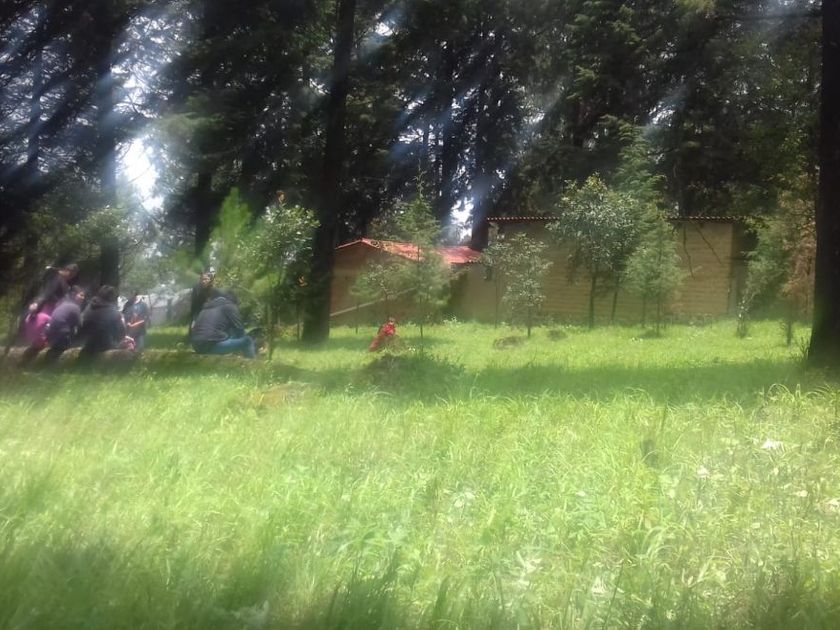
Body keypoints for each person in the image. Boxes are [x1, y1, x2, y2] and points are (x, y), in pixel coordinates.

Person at [20, 263, 79, 357]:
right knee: (44, 326)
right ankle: (39, 346)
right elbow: (47, 293)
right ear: (66, 270)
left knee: (47, 327)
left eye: (73, 275)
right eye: (71, 274)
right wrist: (37, 303)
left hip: (53, 307)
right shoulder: (56, 279)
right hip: (48, 306)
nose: (71, 277)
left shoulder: (62, 281)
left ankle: (40, 345)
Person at [190, 289, 256, 359]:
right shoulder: (229, 306)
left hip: (196, 346)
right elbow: (240, 330)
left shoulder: (206, 307)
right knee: (247, 341)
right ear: (233, 301)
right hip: (211, 346)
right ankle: (252, 364)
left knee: (231, 332)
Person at [79, 285, 127, 358]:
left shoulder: (89, 307)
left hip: (86, 345)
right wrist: (122, 321)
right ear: (112, 298)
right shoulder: (113, 312)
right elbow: (121, 334)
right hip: (105, 347)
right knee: (128, 345)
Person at [44, 286, 86, 361]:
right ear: (74, 294)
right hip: (62, 338)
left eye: (84, 296)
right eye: (81, 295)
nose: (83, 298)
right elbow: (80, 325)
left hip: (52, 338)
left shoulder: (63, 303)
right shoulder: (75, 307)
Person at [188, 268, 216, 337]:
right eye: (202, 279)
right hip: (198, 310)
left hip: (210, 311)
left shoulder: (213, 290)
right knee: (193, 327)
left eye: (206, 279)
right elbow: (194, 302)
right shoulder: (196, 289)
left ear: (210, 280)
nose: (203, 281)